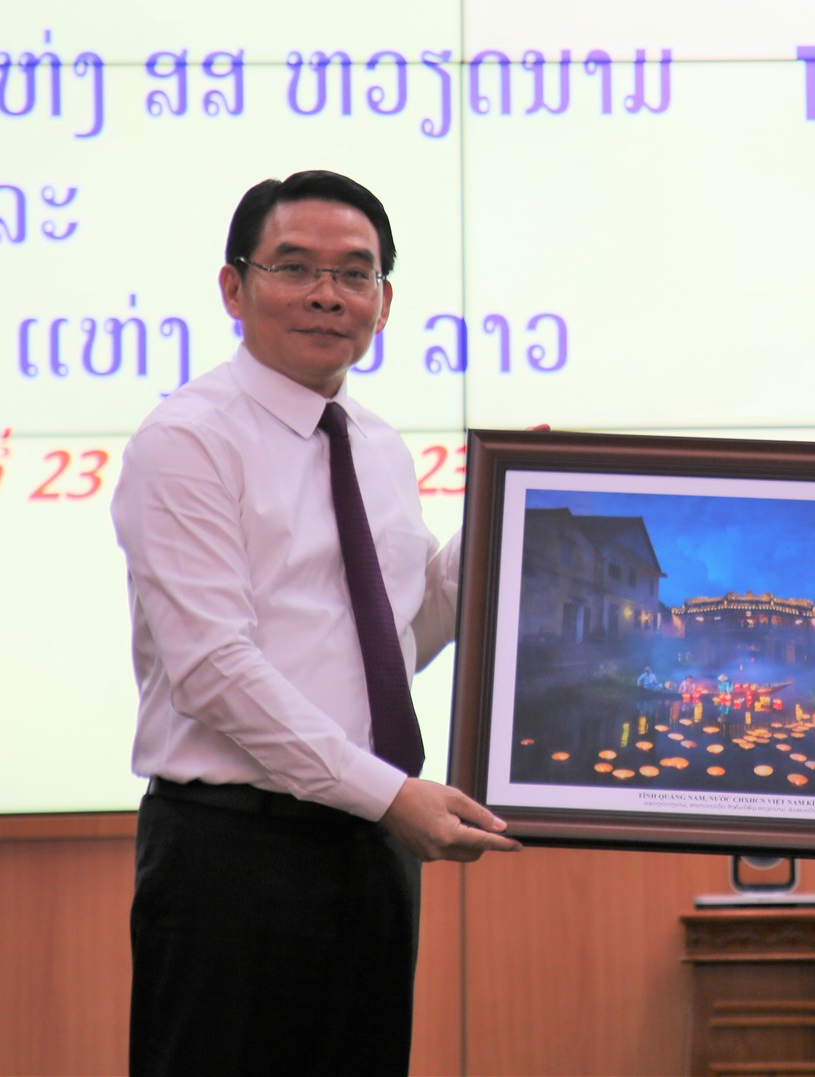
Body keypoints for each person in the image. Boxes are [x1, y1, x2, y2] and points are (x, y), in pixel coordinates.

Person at [113, 170, 520, 1075]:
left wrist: (513, 509)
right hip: (233, 852)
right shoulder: (188, 440)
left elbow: (397, 642)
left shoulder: (374, 444)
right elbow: (214, 668)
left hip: (369, 849)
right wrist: (390, 794)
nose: (328, 295)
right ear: (234, 286)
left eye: (355, 273)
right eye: (295, 267)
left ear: (385, 299)